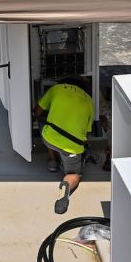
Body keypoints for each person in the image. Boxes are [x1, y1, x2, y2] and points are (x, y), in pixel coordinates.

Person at [33, 77, 94, 215]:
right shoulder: (89, 100)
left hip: (51, 137)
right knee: (74, 174)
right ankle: (65, 189)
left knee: (44, 120)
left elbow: (37, 111)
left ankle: (52, 160)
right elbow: (87, 131)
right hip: (73, 146)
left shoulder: (56, 89)